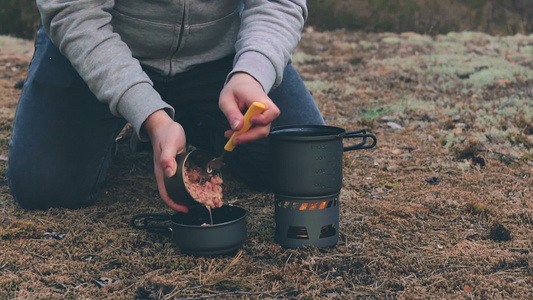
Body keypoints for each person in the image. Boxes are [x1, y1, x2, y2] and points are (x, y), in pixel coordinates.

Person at [7, 0, 325, 212]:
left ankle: (191, 120)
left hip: (220, 50)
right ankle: (148, 120)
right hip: (102, 43)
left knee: (308, 169)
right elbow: (74, 12)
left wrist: (252, 72)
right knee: (44, 185)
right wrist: (149, 115)